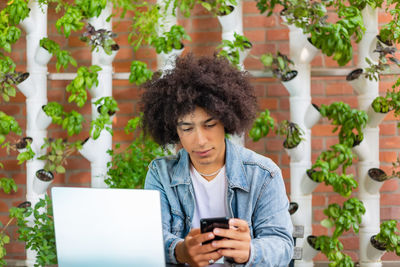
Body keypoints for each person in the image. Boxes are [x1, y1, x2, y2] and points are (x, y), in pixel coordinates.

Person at [141, 54, 294, 266]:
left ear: (226, 120)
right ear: (173, 130)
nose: (201, 140)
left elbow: (282, 246)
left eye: (210, 125)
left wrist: (249, 252)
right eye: (187, 128)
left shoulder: (263, 174)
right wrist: (181, 251)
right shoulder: (161, 174)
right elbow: (151, 238)